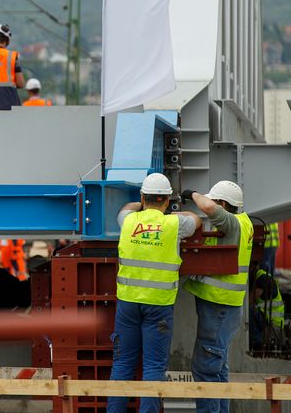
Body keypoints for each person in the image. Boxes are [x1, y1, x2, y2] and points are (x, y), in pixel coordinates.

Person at [109, 173, 201, 413]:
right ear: (168, 200)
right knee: (153, 367)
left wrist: (140, 205)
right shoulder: (174, 224)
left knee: (122, 365)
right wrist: (172, 213)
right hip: (159, 307)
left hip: (128, 303)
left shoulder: (128, 221)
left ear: (142, 196)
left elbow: (126, 208)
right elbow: (196, 219)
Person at [181, 181, 254, 413]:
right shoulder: (243, 223)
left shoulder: (232, 223)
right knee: (218, 367)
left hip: (219, 306)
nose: (206, 207)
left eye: (213, 202)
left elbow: (211, 210)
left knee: (205, 368)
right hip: (223, 306)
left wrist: (191, 193)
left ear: (223, 204)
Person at [249, 268, 285, 350]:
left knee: (249, 310)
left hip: (272, 326)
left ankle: (257, 344)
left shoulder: (263, 280)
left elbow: (249, 301)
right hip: (270, 323)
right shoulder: (263, 277)